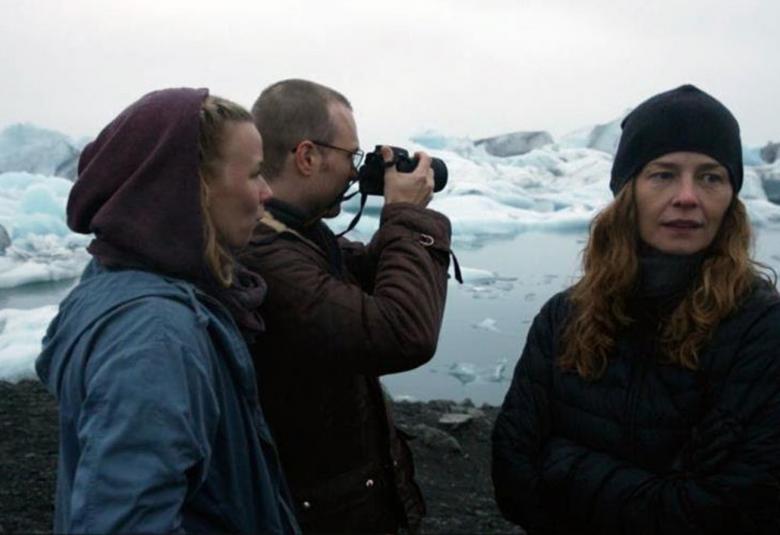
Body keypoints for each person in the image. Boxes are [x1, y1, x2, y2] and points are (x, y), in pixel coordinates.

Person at [492, 84, 780, 534]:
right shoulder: (563, 317)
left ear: (731, 197)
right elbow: (512, 476)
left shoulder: (761, 329)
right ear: (628, 192)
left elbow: (734, 508)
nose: (688, 197)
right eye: (663, 174)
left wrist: (564, 464)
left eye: (710, 177)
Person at [35, 88, 300, 534]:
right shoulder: (155, 337)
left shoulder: (113, 278)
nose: (267, 192)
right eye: (255, 174)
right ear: (189, 186)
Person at [239, 79, 452, 533]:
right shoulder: (265, 254)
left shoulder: (300, 236)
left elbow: (364, 278)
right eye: (351, 157)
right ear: (308, 156)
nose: (357, 174)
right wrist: (408, 217)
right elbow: (401, 332)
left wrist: (399, 224)